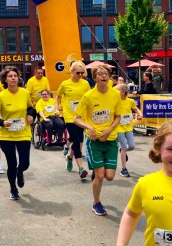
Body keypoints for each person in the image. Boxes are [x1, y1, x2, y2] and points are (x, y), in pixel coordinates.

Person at [74, 64, 122, 216]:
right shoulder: (88, 96)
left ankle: (97, 177)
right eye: (99, 74)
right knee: (100, 175)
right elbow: (76, 119)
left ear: (109, 77)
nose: (103, 76)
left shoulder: (115, 94)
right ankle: (96, 202)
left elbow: (118, 116)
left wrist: (109, 130)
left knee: (109, 177)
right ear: (94, 78)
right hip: (94, 140)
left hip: (111, 140)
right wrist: (89, 127)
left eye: (105, 73)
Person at [0, 66, 35, 200]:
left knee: (25, 163)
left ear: (18, 78)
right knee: (12, 164)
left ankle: (20, 173)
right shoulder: (1, 96)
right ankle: (13, 188)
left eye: (15, 75)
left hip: (23, 133)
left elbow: (30, 107)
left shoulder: (25, 93)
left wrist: (30, 115)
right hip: (6, 136)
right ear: (5, 79)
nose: (13, 78)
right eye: (10, 76)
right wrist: (3, 122)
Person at [56, 61, 90, 180]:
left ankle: (70, 157)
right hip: (69, 117)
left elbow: (89, 99)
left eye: (82, 73)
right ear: (71, 71)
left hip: (81, 116)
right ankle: (81, 168)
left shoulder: (85, 84)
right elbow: (58, 96)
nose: (80, 75)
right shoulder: (65, 84)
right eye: (78, 73)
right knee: (76, 140)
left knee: (79, 140)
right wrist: (57, 107)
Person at [116, 84, 142, 177]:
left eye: (118, 90)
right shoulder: (115, 102)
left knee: (131, 146)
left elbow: (136, 109)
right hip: (118, 127)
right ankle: (124, 169)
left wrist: (140, 114)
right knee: (123, 147)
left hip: (128, 126)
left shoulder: (130, 101)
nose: (116, 92)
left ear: (124, 92)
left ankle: (122, 150)